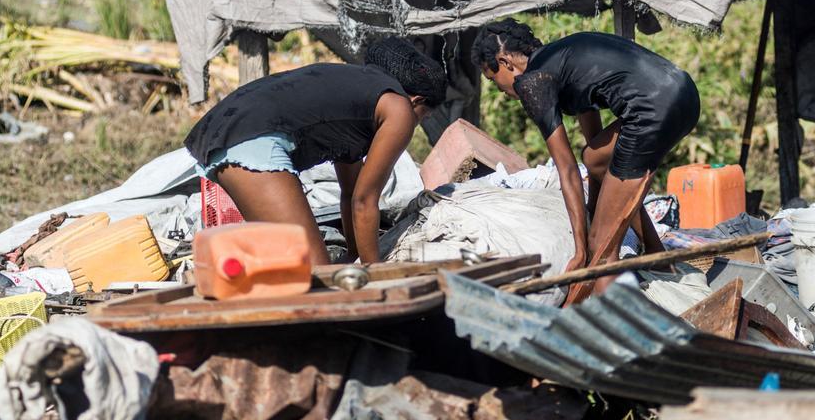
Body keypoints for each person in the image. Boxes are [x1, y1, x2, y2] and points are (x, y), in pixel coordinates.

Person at [472, 20, 700, 299]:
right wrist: (594, 208)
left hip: (650, 110)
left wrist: (581, 248)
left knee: (601, 249)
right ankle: (657, 255)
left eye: (492, 79)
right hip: (684, 92)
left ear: (504, 61)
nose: (499, 89)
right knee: (594, 157)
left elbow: (566, 169)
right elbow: (596, 156)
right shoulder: (563, 59)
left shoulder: (532, 81)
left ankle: (615, 326)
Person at [185, 38, 446, 266]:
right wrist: (373, 274)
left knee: (292, 273)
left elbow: (351, 195)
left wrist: (355, 256)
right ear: (417, 101)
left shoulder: (357, 96)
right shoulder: (399, 108)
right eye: (423, 116)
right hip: (252, 140)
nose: (417, 124)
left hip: (221, 131)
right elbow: (365, 202)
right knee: (316, 276)